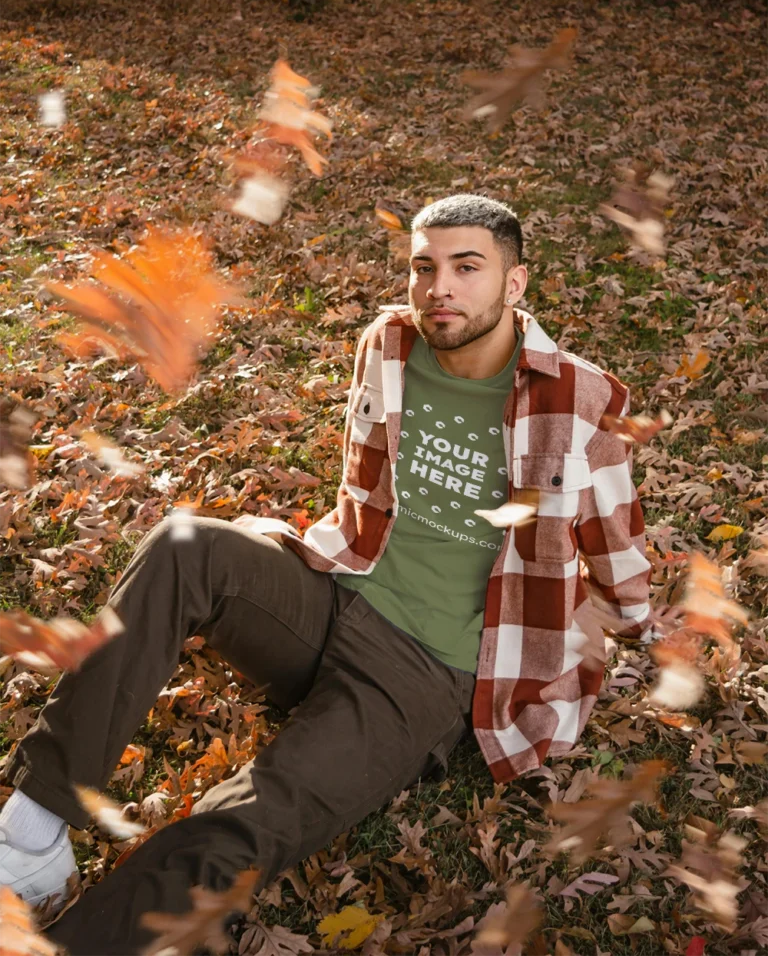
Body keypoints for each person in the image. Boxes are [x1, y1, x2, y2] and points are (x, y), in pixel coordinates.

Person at [0, 194, 651, 953]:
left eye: (467, 268)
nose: (439, 286)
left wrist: (566, 658)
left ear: (514, 285)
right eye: (424, 266)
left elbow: (622, 576)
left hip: (424, 675)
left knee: (245, 817)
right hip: (336, 593)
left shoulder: (577, 400)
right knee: (185, 544)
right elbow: (363, 494)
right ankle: (33, 830)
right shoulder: (389, 343)